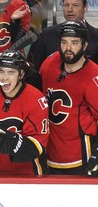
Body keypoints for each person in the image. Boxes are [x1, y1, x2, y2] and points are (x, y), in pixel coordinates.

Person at [40, 20, 98, 175]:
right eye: (64, 42)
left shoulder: (93, 77)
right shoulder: (49, 64)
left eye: (74, 42)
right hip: (49, 156)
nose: (68, 48)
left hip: (81, 159)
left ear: (84, 45)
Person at [30, 0, 98, 71]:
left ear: (85, 8)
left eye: (75, 5)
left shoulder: (96, 36)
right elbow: (36, 69)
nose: (70, 10)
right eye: (66, 5)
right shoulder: (47, 34)